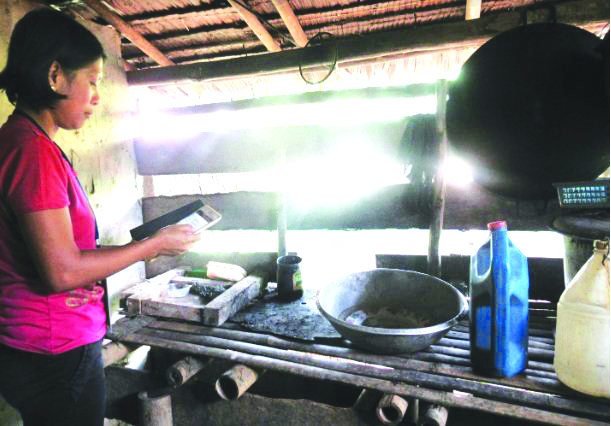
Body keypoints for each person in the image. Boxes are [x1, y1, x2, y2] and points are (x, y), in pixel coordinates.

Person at [0, 8, 201, 426]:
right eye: (91, 82)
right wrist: (154, 245)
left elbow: (64, 253)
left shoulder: (25, 141)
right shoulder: (32, 153)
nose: (97, 96)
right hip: (54, 353)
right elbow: (61, 270)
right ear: (55, 76)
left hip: (36, 346)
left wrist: (146, 242)